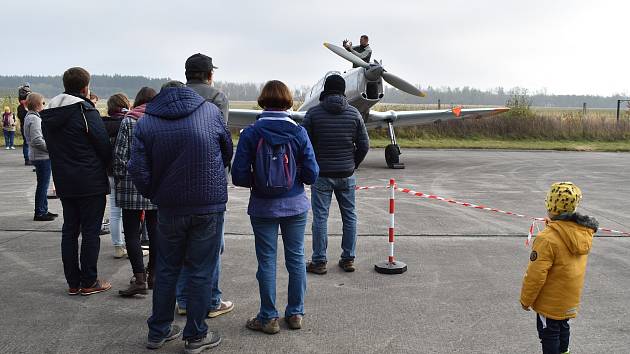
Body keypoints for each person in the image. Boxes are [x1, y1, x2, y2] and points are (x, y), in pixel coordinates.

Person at [128, 81, 232, 352]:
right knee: (201, 271)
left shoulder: (147, 122)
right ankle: (196, 336)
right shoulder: (210, 112)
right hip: (208, 205)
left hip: (169, 207)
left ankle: (158, 331)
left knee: (166, 268)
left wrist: (155, 193)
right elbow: (226, 150)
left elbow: (137, 169)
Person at [232, 80, 319, 334]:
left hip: (262, 207)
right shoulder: (299, 132)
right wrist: (294, 177)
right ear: (287, 102)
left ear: (263, 101)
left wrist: (259, 182)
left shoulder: (251, 133)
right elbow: (313, 174)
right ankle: (295, 313)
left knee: (266, 262)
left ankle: (268, 317)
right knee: (296, 259)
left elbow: (238, 175)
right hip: (295, 206)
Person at [40, 67, 112, 296]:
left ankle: (73, 281)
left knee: (70, 230)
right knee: (91, 231)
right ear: (85, 87)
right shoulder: (84, 110)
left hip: (64, 179)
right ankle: (89, 281)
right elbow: (102, 144)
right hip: (90, 180)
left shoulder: (49, 114)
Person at [177, 52, 233, 319]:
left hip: (174, 183)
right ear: (209, 74)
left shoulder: (174, 96)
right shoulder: (217, 97)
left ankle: (184, 300)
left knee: (181, 249)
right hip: (209, 185)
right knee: (211, 247)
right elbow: (221, 138)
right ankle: (211, 300)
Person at [520, 182, 598, 354]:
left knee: (549, 335)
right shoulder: (581, 232)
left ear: (550, 206)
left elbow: (536, 274)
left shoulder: (546, 239)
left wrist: (526, 299)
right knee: (563, 329)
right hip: (569, 300)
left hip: (550, 303)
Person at [302, 74, 369, 274]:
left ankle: (319, 261)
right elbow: (364, 145)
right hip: (346, 174)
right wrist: (352, 164)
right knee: (350, 217)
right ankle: (348, 259)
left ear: (325, 90)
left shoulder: (313, 114)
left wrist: (311, 165)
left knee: (320, 218)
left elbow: (303, 144)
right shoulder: (354, 113)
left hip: (321, 174)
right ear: (343, 91)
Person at [113, 88, 158, 296]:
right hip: (156, 185)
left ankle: (138, 278)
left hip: (131, 184)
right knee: (156, 232)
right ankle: (153, 275)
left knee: (131, 232)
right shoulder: (160, 120)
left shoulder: (129, 120)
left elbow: (120, 155)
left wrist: (120, 179)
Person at [103, 93, 131, 258]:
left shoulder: (102, 124)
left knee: (114, 211)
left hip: (109, 172)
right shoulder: (126, 123)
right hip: (126, 172)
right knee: (130, 213)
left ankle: (118, 246)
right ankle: (131, 244)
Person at [23, 93, 58, 221]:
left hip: (39, 156)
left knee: (43, 184)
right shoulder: (34, 119)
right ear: (37, 104)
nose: (44, 105)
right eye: (43, 103)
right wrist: (52, 149)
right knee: (43, 185)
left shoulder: (30, 117)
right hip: (41, 156)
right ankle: (40, 212)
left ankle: (43, 209)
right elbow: (37, 140)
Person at [185, 53, 229, 124]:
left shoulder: (174, 94)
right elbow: (222, 130)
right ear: (209, 75)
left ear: (186, 74)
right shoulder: (218, 96)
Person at [18, 83, 32, 164]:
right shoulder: (21, 107)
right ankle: (27, 159)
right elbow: (21, 116)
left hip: (26, 125)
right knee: (26, 142)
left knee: (28, 143)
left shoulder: (27, 107)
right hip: (24, 126)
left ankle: (29, 158)